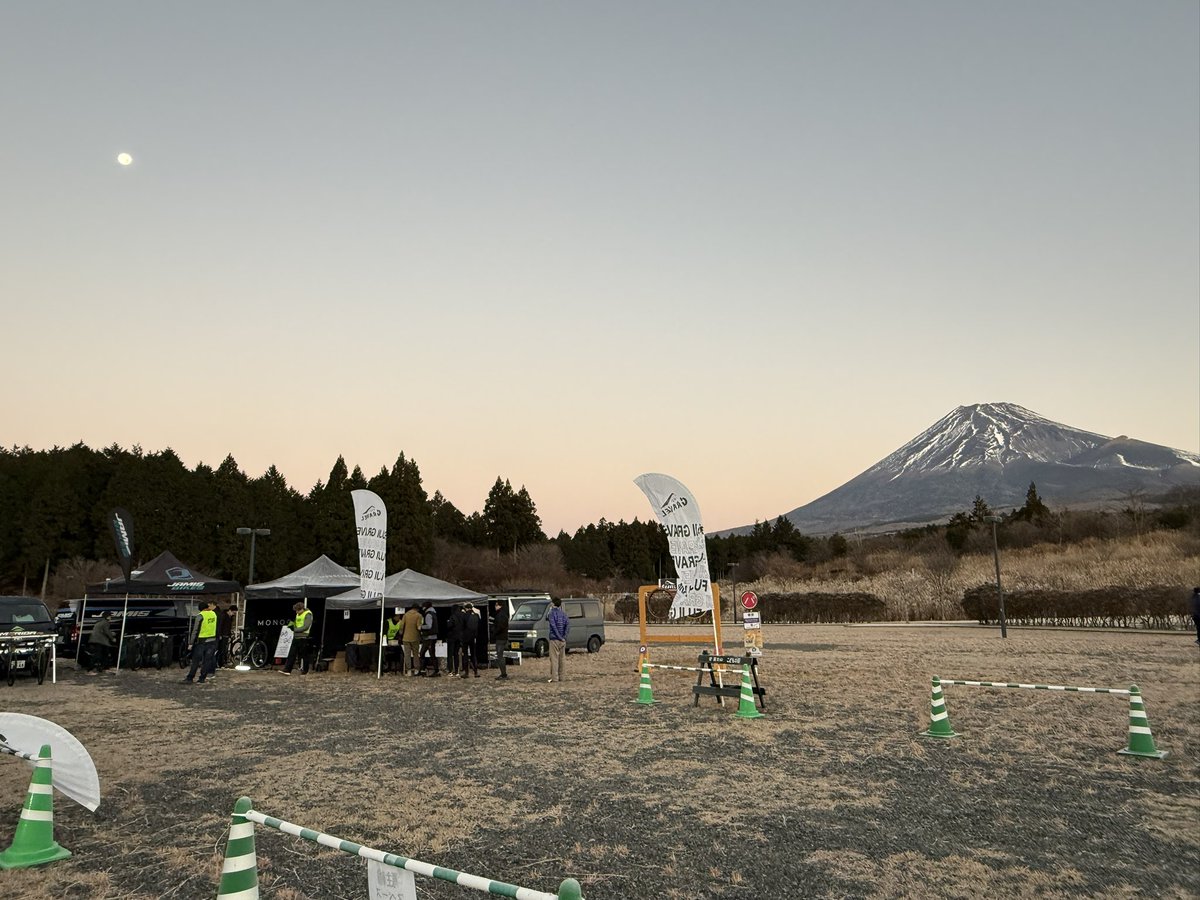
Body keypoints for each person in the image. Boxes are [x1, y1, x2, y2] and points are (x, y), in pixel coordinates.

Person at [183, 600, 219, 684]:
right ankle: (202, 678)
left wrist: (191, 643)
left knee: (196, 660)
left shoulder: (200, 616)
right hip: (212, 640)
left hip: (201, 641)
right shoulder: (214, 614)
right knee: (207, 661)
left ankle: (190, 677)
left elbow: (195, 630)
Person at [281, 602, 313, 675]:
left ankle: (305, 671)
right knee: (292, 653)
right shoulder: (298, 614)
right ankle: (287, 670)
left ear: (302, 609)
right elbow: (297, 624)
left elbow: (306, 626)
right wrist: (292, 625)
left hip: (304, 636)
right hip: (296, 636)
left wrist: (295, 629)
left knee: (304, 655)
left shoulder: (308, 614)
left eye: (297, 610)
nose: (296, 612)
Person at [547, 596, 569, 683]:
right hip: (563, 640)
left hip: (554, 639)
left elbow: (553, 626)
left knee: (554, 659)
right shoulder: (563, 614)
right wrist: (564, 637)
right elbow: (568, 625)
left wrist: (559, 636)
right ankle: (562, 677)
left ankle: (555, 678)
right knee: (562, 659)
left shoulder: (552, 613)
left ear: (553, 603)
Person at [87, 610, 115, 675]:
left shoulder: (99, 622)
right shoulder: (106, 623)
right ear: (107, 617)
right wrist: (112, 638)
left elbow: (101, 631)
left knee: (104, 654)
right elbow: (106, 631)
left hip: (95, 639)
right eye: (110, 616)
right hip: (100, 641)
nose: (111, 617)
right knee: (99, 655)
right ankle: (90, 669)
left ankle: (103, 668)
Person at [419, 602, 440, 677]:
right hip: (433, 637)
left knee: (423, 654)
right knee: (432, 654)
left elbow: (428, 626)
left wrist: (421, 627)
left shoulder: (428, 614)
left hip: (429, 638)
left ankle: (423, 670)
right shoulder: (433, 613)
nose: (422, 608)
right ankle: (435, 670)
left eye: (423, 607)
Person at [459, 603, 480, 678]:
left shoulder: (464, 616)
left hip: (465, 637)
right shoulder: (476, 616)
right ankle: (476, 671)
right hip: (473, 637)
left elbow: (461, 627)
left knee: (465, 655)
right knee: (473, 655)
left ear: (466, 608)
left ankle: (466, 672)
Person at [490, 599, 510, 680]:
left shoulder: (500, 615)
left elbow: (500, 627)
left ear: (500, 605)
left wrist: (494, 631)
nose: (495, 607)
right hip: (503, 637)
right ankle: (503, 673)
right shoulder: (503, 614)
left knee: (500, 656)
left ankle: (503, 674)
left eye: (496, 605)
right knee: (499, 655)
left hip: (500, 637)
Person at [446, 603, 467, 677]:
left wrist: (447, 622)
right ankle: (457, 670)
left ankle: (450, 670)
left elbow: (449, 625)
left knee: (450, 654)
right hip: (459, 637)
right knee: (456, 654)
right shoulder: (463, 616)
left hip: (452, 637)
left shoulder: (453, 616)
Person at [401, 603, 422, 675]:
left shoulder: (405, 615)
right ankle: (416, 669)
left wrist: (401, 634)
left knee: (407, 654)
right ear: (417, 609)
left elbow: (401, 626)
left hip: (406, 638)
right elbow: (419, 627)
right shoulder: (419, 615)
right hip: (415, 638)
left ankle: (409, 670)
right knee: (416, 654)